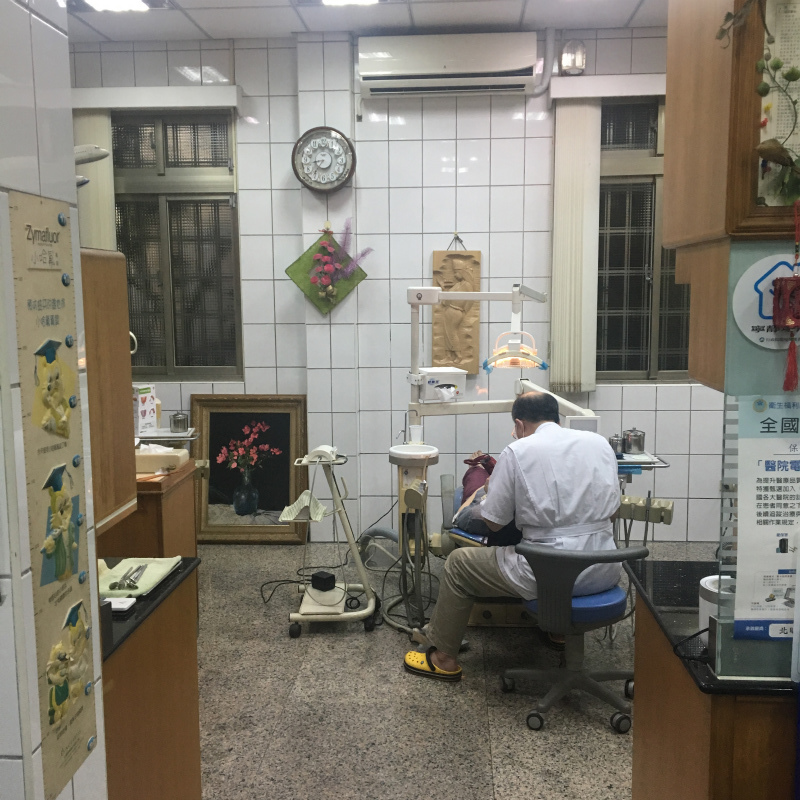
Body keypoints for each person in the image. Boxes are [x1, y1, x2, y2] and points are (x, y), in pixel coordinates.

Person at [403, 391, 621, 682]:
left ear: (519, 424)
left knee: (458, 564)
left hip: (548, 573)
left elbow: (494, 523)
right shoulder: (599, 444)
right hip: (603, 568)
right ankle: (558, 633)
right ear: (556, 416)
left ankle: (443, 659)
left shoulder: (518, 451)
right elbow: (613, 513)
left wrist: (491, 490)